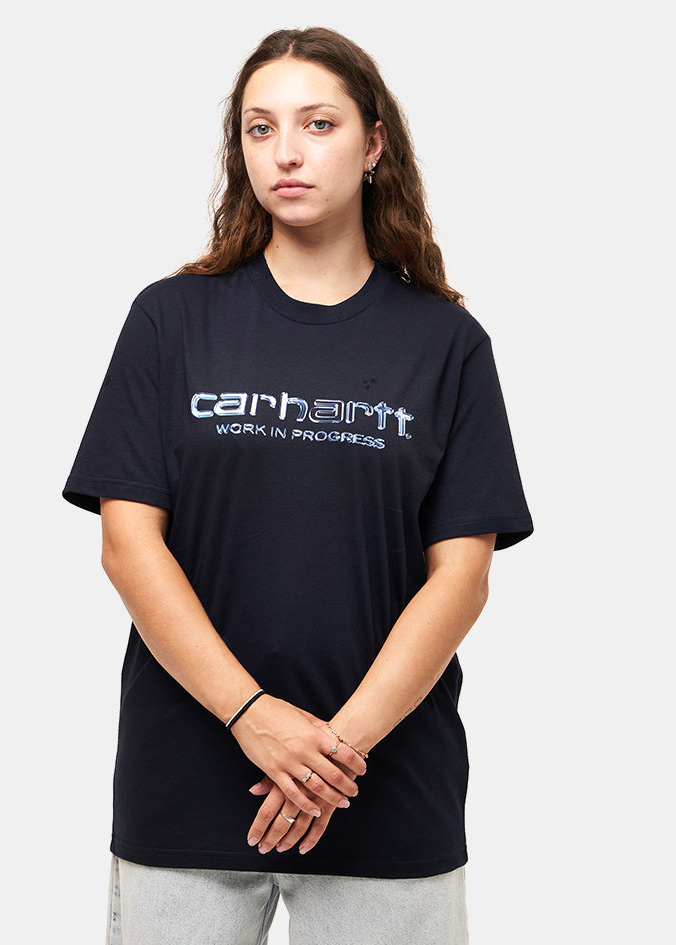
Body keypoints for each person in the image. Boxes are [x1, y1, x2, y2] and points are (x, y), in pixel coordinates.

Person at [63, 26, 533, 945]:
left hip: (387, 797)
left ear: (374, 143)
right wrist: (253, 717)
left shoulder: (446, 344)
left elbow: (463, 576)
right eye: (259, 127)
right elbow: (127, 544)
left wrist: (333, 751)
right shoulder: (170, 320)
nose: (286, 151)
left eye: (318, 123)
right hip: (186, 789)